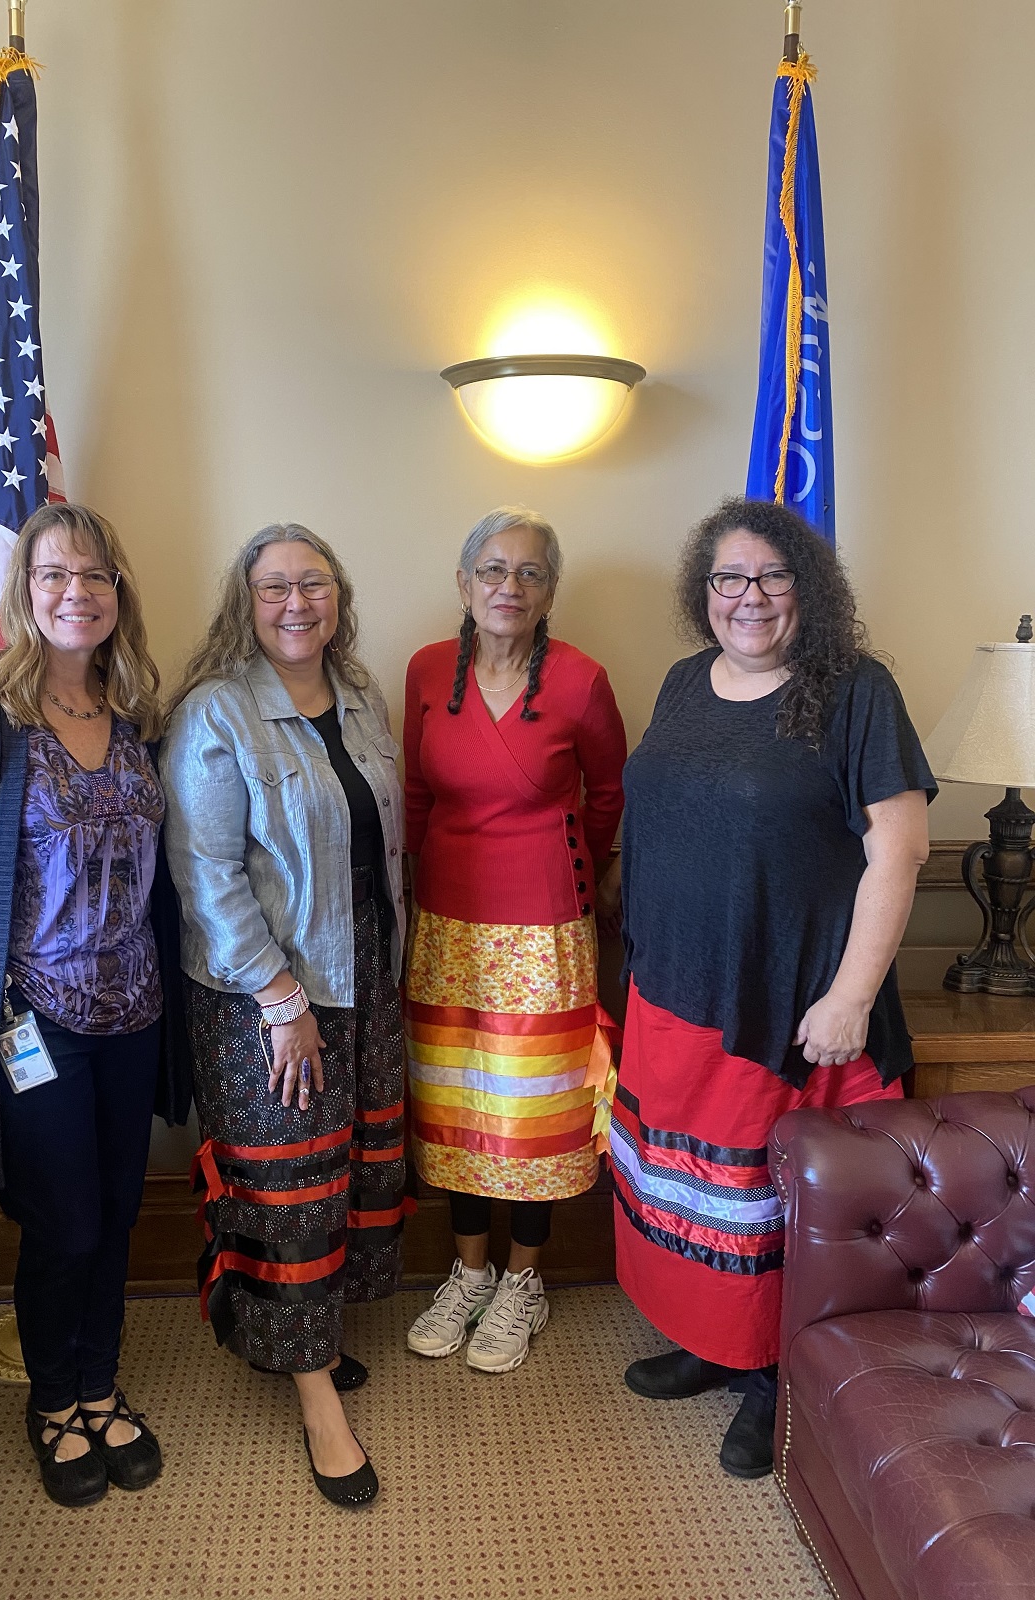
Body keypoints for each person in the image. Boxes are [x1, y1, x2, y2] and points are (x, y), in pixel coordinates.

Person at [612, 496, 935, 1478]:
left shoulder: (854, 691)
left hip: (787, 1004)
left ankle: (772, 1382)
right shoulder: (679, 682)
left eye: (771, 577)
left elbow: (902, 850)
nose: (747, 598)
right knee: (691, 1195)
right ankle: (718, 1347)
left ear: (808, 589)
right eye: (727, 579)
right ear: (702, 591)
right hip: (674, 990)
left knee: (771, 1206)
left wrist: (848, 996)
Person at [0, 504, 179, 1508]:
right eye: (55, 574)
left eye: (96, 575)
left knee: (117, 1212)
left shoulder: (139, 719)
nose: (76, 592)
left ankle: (101, 1384)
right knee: (63, 1223)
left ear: (118, 595)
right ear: (23, 591)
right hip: (29, 1026)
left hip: (134, 1018)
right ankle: (53, 1398)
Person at [161, 522, 407, 1509]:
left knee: (347, 1171)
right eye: (275, 587)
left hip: (368, 979)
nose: (297, 601)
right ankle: (315, 1400)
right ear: (246, 602)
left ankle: (302, 1339)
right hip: (268, 995)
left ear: (338, 596)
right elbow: (208, 879)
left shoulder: (363, 698)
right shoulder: (217, 713)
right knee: (290, 1191)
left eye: (314, 583)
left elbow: (383, 851)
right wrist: (279, 998)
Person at [403, 506, 626, 1373]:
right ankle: (466, 1271)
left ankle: (524, 1280)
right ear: (464, 584)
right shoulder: (426, 670)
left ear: (549, 592)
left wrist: (592, 881)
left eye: (529, 573)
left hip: (545, 924)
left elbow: (606, 794)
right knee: (456, 1103)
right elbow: (415, 800)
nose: (509, 586)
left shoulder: (580, 679)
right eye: (492, 570)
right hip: (446, 921)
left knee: (531, 1115)